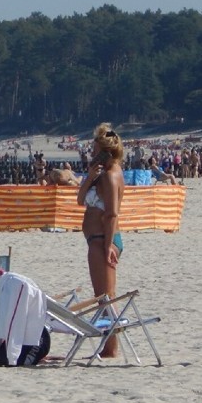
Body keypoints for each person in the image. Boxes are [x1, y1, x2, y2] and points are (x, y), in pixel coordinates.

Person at [77, 123, 125, 358]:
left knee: (106, 295)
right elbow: (79, 200)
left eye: (96, 151)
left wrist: (107, 246)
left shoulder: (111, 176)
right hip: (96, 238)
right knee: (102, 295)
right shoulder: (101, 175)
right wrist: (89, 177)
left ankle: (111, 347)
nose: (93, 155)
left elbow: (112, 213)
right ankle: (109, 345)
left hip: (103, 239)